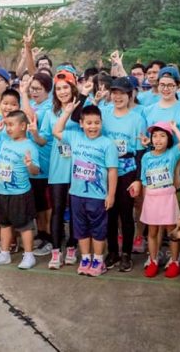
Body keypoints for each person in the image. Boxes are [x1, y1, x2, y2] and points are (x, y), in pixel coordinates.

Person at [54, 104, 119, 277]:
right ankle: (85, 258)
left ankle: (98, 260)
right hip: (76, 194)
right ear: (81, 123)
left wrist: (110, 194)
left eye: (96, 123)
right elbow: (57, 131)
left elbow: (112, 170)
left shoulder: (107, 144)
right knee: (80, 229)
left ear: (101, 123)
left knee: (98, 229)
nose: (93, 126)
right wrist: (67, 112)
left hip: (98, 196)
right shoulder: (74, 137)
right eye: (88, 123)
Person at [130, 121, 180, 278]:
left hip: (168, 196)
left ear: (168, 139)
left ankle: (174, 261)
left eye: (162, 136)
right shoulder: (147, 157)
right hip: (152, 197)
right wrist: (144, 198)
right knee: (152, 231)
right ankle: (153, 260)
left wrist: (174, 128)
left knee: (171, 231)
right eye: (154, 136)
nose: (158, 140)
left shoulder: (172, 153)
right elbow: (144, 180)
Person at [0, 110, 40, 270]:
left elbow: (36, 171)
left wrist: (29, 164)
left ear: (23, 126)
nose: (8, 129)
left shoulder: (29, 146)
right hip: (2, 191)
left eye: (11, 125)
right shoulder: (4, 141)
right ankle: (4, 253)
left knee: (24, 225)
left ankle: (29, 255)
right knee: (4, 224)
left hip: (20, 193)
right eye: (6, 125)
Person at [102, 76, 146, 272]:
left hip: (127, 171)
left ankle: (126, 253)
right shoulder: (104, 114)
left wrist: (138, 179)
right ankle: (112, 251)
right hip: (105, 171)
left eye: (122, 93)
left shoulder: (137, 119)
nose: (118, 97)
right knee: (109, 212)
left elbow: (141, 152)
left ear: (130, 95)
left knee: (126, 213)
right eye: (114, 93)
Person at [38, 69, 80, 269]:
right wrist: (33, 134)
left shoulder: (81, 109)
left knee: (75, 211)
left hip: (78, 168)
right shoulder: (50, 112)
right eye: (59, 89)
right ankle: (56, 251)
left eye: (66, 87)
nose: (62, 92)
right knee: (57, 210)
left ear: (73, 88)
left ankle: (72, 247)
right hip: (57, 168)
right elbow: (44, 138)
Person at [20, 73, 54, 257]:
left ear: (48, 90)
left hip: (45, 164)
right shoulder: (34, 104)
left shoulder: (48, 107)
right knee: (39, 205)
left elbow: (28, 116)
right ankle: (41, 235)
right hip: (32, 163)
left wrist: (23, 93)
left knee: (46, 206)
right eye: (31, 89)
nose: (33, 92)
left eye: (37, 89)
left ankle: (49, 238)